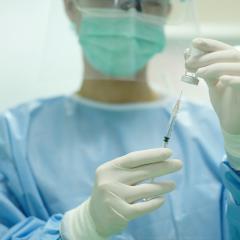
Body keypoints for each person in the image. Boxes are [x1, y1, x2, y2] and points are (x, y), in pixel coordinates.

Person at [0, 0, 240, 239]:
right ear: (70, 6)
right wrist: (78, 228)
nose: (129, 15)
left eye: (149, 2)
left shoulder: (220, 130)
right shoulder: (12, 137)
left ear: (166, 10)